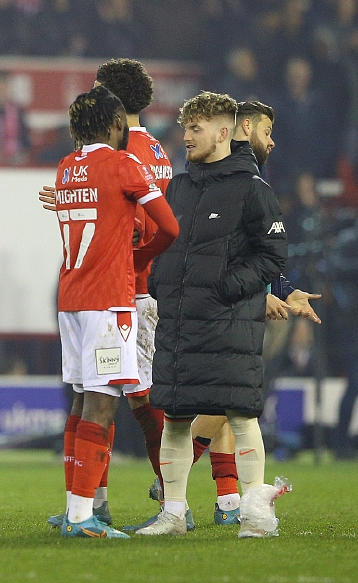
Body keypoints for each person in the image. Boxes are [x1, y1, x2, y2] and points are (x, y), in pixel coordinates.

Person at [127, 99, 321, 531]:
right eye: (185, 127)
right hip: (180, 322)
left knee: (240, 413)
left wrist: (228, 289)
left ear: (222, 132)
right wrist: (162, 284)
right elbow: (161, 245)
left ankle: (254, 513)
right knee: (175, 417)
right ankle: (173, 513)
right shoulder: (177, 188)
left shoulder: (254, 189)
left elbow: (273, 255)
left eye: (196, 127)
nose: (187, 135)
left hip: (230, 321)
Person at [39, 85, 179, 539]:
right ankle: (82, 519)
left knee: (81, 402)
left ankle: (75, 509)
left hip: (70, 299)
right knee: (103, 404)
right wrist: (137, 259)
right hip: (108, 302)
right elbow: (169, 227)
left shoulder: (65, 168)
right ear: (118, 124)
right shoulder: (124, 165)